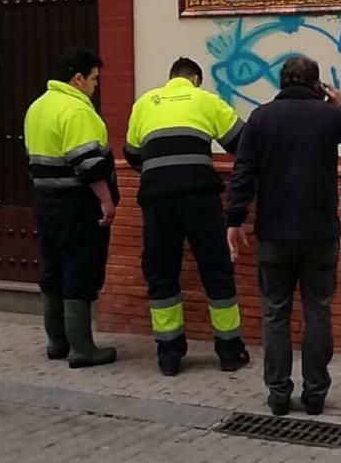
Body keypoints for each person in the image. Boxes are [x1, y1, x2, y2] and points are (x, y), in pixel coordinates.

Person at [224, 55, 341, 416]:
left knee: (275, 313)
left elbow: (244, 172)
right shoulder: (329, 116)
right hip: (321, 233)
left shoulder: (261, 117)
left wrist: (234, 219)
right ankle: (315, 395)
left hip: (274, 233)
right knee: (318, 312)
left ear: (282, 82)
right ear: (317, 85)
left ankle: (278, 394)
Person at [122, 57, 249, 377]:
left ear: (170, 78)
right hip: (199, 197)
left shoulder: (145, 103)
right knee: (216, 270)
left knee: (161, 272)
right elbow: (242, 143)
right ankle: (229, 351)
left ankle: (169, 355)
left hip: (157, 199)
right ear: (194, 78)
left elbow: (132, 153)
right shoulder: (206, 100)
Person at [24, 47, 119, 368]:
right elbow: (89, 164)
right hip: (78, 206)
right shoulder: (77, 111)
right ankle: (83, 348)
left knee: (53, 271)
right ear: (77, 78)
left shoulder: (37, 107)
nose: (96, 85)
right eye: (93, 79)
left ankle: (57, 342)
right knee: (81, 270)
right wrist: (106, 200)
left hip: (46, 203)